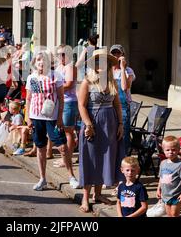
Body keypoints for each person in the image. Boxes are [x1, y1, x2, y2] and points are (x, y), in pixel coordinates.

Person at [77, 49, 125, 213]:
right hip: (93, 124)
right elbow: (81, 106)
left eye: (104, 61)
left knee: (105, 158)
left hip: (110, 124)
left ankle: (97, 195)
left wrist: (120, 124)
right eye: (97, 61)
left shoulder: (112, 82)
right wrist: (88, 125)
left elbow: (117, 104)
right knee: (90, 159)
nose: (100, 65)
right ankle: (85, 197)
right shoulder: (87, 82)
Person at [26, 50, 79, 191]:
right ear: (34, 62)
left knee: (62, 146)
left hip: (52, 118)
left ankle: (71, 176)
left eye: (43, 59)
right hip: (36, 117)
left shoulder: (56, 76)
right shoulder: (32, 77)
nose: (41, 62)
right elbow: (29, 98)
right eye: (38, 59)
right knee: (40, 147)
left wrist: (60, 117)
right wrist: (28, 118)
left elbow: (61, 98)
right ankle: (42, 178)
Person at [51, 45, 78, 168]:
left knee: (68, 131)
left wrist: (54, 88)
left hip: (69, 102)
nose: (60, 57)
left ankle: (68, 159)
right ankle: (65, 158)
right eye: (58, 54)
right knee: (62, 130)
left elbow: (68, 83)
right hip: (60, 101)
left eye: (63, 54)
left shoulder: (70, 67)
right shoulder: (59, 67)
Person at [110, 44, 136, 156]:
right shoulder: (108, 70)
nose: (116, 56)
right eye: (113, 53)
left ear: (122, 55)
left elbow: (125, 87)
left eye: (118, 53)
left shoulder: (128, 71)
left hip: (123, 105)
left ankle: (123, 158)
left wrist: (123, 68)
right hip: (110, 104)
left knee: (124, 134)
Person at [157, 135, 181, 217]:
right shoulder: (163, 163)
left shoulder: (180, 164)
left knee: (174, 214)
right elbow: (161, 177)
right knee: (169, 214)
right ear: (163, 150)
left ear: (178, 150)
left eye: (173, 150)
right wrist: (158, 189)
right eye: (167, 150)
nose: (170, 152)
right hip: (165, 195)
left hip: (176, 195)